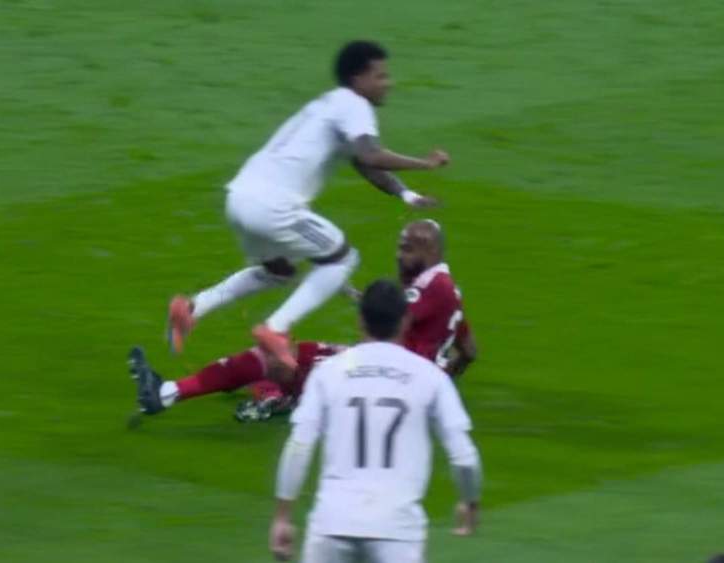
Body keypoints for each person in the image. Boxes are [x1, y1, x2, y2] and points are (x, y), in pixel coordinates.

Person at [166, 40, 450, 370]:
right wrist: (425, 164)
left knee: (279, 272)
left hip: (239, 199)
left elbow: (364, 164)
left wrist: (405, 194)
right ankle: (276, 328)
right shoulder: (354, 105)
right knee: (343, 258)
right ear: (358, 79)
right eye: (380, 76)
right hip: (274, 206)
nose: (388, 83)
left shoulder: (328, 105)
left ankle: (193, 308)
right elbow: (371, 154)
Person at [129, 221, 477, 420]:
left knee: (278, 357)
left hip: (387, 382)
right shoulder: (446, 289)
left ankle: (168, 393)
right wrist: (441, 380)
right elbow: (469, 350)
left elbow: (390, 322)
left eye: (409, 250)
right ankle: (278, 392)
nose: (400, 257)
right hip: (402, 381)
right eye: (400, 248)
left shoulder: (430, 287)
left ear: (432, 252)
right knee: (295, 357)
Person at [269, 280, 482, 562]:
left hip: (332, 523)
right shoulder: (430, 377)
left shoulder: (328, 372)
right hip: (397, 529)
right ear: (406, 321)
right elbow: (464, 457)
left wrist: (282, 517)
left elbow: (299, 445)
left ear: (360, 319)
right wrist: (470, 501)